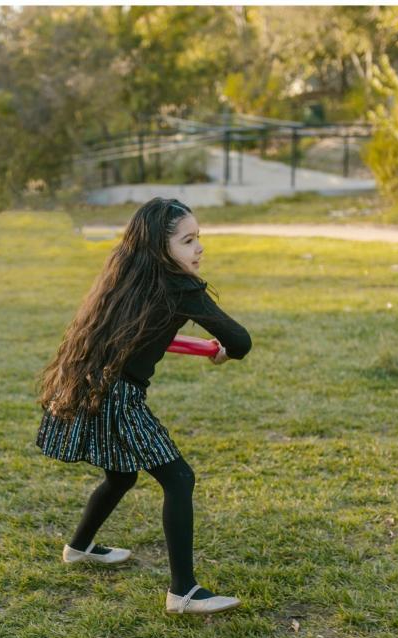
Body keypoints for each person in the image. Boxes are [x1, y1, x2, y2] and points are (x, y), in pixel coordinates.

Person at [35, 197, 252, 615]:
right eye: (188, 241)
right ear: (161, 248)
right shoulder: (178, 284)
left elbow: (141, 333)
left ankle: (78, 548)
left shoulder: (130, 272)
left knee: (120, 476)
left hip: (90, 386)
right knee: (179, 479)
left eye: (198, 239)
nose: (199, 249)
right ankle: (183, 593)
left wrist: (203, 348)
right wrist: (224, 350)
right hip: (118, 396)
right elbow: (240, 341)